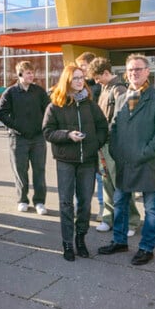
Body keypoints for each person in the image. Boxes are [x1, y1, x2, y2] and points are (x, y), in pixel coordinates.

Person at [99, 54, 155, 265]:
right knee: (120, 203)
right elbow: (113, 128)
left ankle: (146, 248)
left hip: (147, 162)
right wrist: (115, 152)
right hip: (124, 162)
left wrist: (144, 153)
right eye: (131, 70)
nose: (134, 73)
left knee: (151, 208)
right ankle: (119, 241)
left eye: (138, 69)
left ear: (148, 71)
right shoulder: (122, 97)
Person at [43, 64, 107, 261]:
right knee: (65, 203)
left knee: (85, 203)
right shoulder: (55, 105)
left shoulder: (91, 104)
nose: (80, 81)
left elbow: (103, 128)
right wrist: (67, 135)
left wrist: (93, 143)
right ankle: (67, 243)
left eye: (81, 78)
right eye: (75, 78)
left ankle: (80, 239)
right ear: (67, 81)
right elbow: (47, 132)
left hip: (87, 161)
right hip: (65, 161)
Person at [0, 60, 50, 215]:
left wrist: (43, 127)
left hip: (38, 138)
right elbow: (1, 113)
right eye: (28, 73)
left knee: (39, 170)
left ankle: (40, 201)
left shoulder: (39, 92)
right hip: (18, 139)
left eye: (32, 73)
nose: (31, 75)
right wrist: (16, 126)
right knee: (20, 171)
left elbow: (48, 110)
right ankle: (22, 200)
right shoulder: (10, 92)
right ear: (20, 74)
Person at [87, 57, 133, 233]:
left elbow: (123, 119)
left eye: (98, 77)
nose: (96, 81)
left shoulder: (119, 90)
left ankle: (131, 221)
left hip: (114, 145)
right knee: (106, 183)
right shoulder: (106, 89)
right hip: (104, 144)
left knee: (120, 184)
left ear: (106, 73)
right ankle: (108, 218)